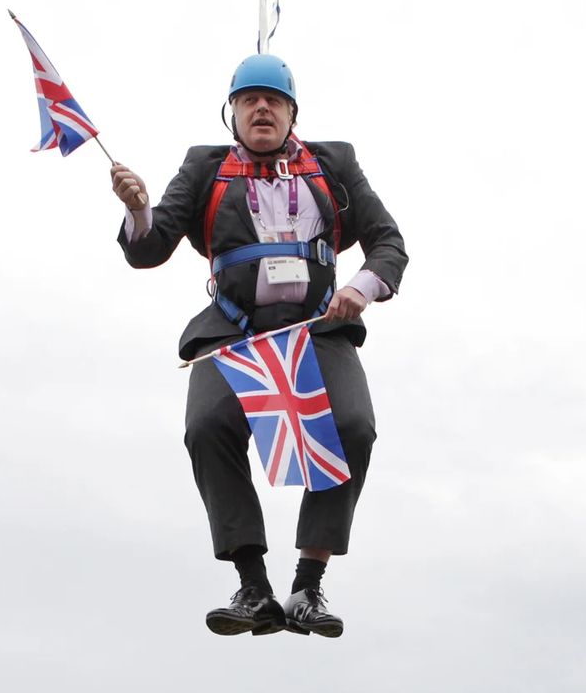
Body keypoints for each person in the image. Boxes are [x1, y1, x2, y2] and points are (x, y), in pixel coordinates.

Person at [111, 55, 407, 638]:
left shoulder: (333, 163)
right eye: (249, 100)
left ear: (293, 113)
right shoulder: (204, 167)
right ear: (233, 113)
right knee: (208, 425)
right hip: (234, 328)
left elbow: (388, 242)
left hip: (317, 328)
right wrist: (138, 209)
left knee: (352, 427)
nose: (262, 108)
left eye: (273, 100)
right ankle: (253, 585)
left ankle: (308, 586)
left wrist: (359, 288)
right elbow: (150, 249)